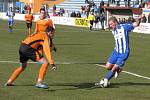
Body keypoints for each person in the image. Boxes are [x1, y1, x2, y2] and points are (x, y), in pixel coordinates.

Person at [95, 16, 141, 87]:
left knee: (113, 68)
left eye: (111, 24)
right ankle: (119, 68)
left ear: (115, 22)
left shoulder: (124, 27)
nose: (110, 26)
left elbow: (136, 24)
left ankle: (105, 80)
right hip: (116, 51)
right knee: (107, 67)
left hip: (123, 53)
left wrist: (138, 19)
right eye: (109, 24)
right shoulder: (113, 29)